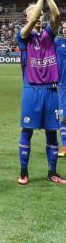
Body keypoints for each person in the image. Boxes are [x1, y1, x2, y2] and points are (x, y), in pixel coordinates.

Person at [15, 0, 64, 185]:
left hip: (51, 91)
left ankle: (52, 172)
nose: (39, 20)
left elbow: (57, 15)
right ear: (26, 19)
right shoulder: (23, 37)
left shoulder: (49, 35)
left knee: (52, 133)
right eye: (34, 17)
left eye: (40, 17)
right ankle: (24, 172)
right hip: (31, 90)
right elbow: (34, 17)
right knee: (27, 132)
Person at [55, 21, 66, 157]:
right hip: (62, 86)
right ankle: (65, 147)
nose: (64, 30)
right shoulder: (57, 42)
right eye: (63, 28)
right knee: (63, 118)